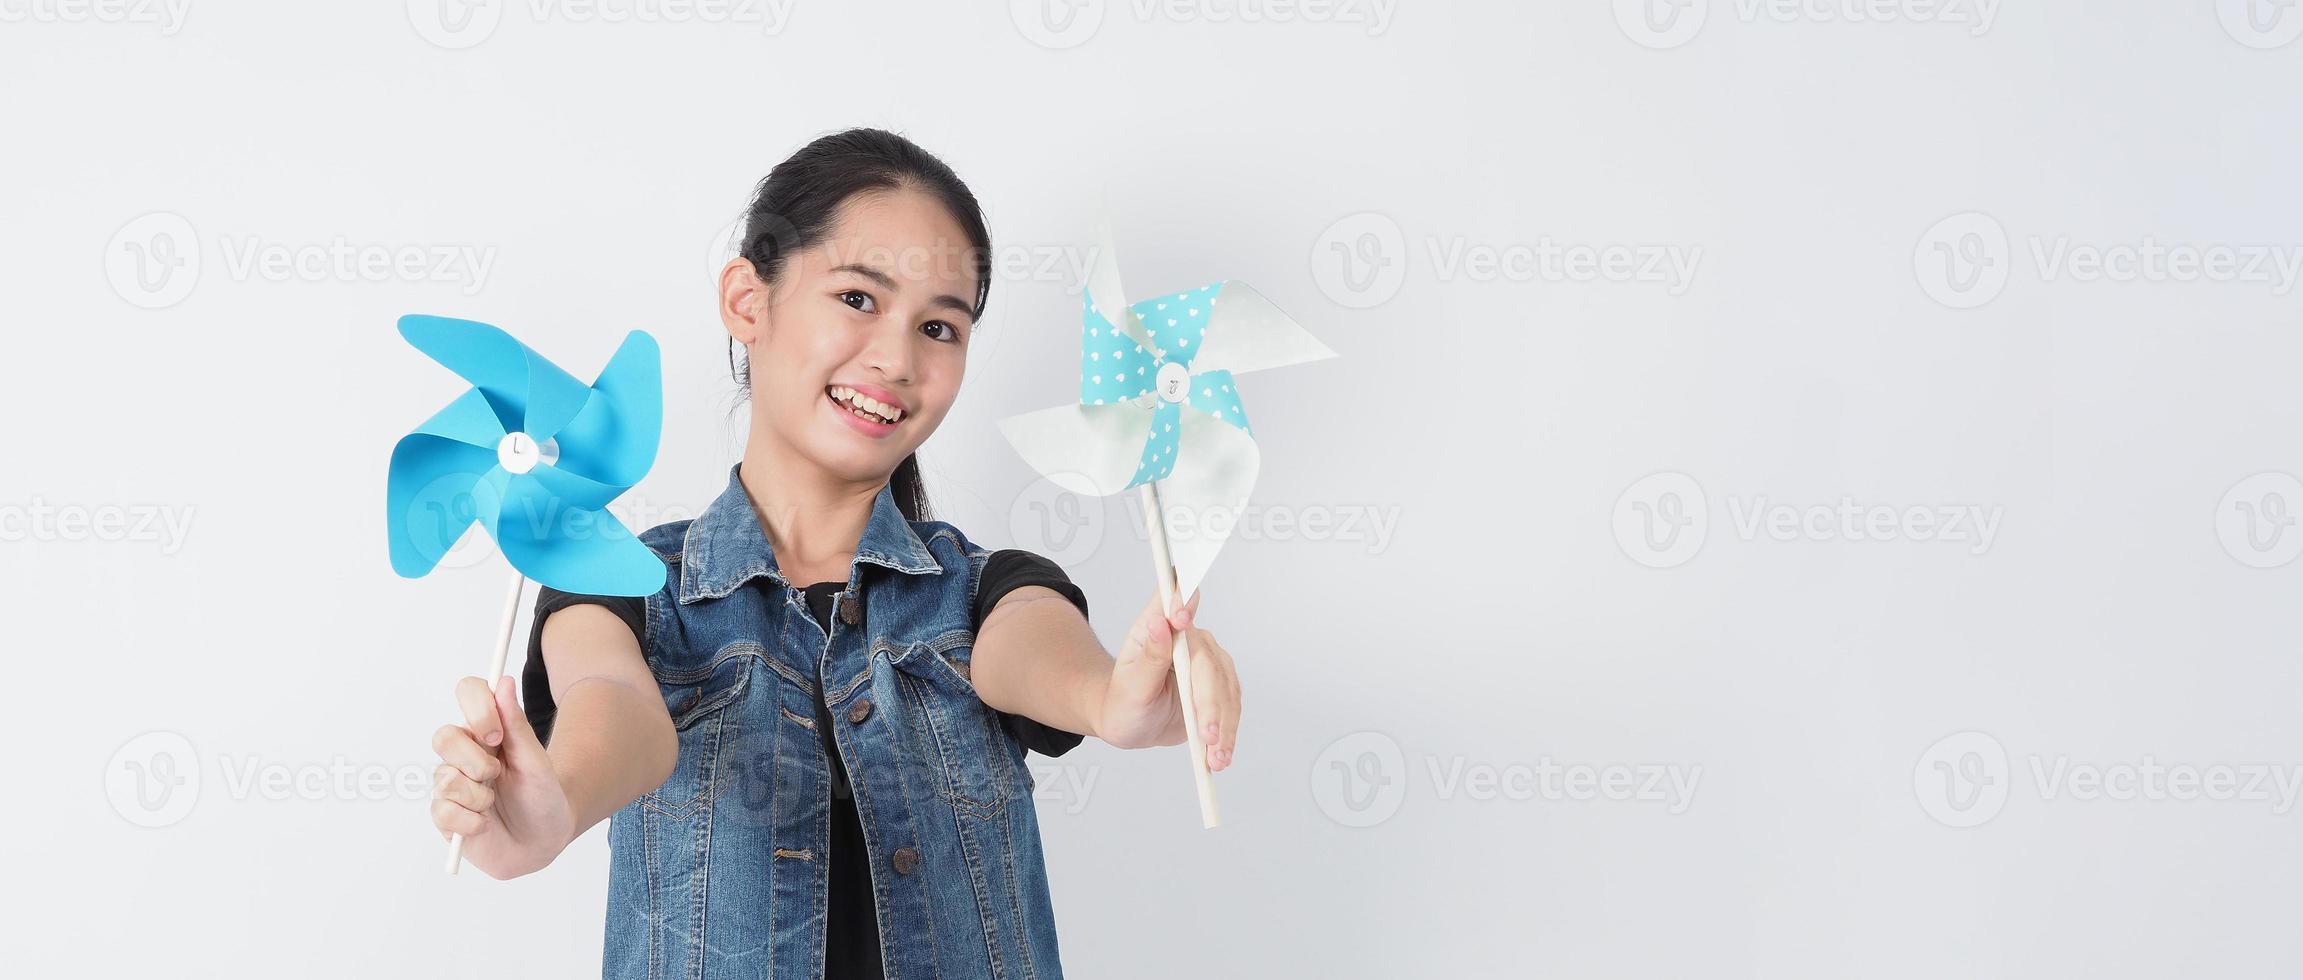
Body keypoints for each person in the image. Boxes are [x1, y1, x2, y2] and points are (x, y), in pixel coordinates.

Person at [424, 127, 1241, 979]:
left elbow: (1034, 656)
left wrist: (1119, 698)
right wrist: (554, 808)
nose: (895, 358)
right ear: (748, 298)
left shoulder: (986, 591)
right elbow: (618, 710)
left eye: (938, 326)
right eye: (857, 298)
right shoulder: (619, 588)